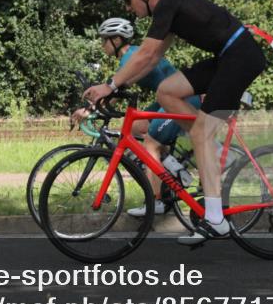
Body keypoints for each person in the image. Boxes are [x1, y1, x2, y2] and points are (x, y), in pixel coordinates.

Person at [83, 0, 266, 245]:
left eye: (128, 1)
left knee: (199, 133)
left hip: (240, 56)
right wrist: (117, 85)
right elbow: (152, 59)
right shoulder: (168, 9)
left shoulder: (170, 1)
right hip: (229, 56)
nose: (129, 9)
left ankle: (215, 219)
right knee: (166, 90)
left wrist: (110, 85)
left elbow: (145, 54)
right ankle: (210, 147)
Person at [73, 17, 201, 216]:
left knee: (150, 143)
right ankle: (171, 171)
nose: (101, 45)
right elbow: (115, 90)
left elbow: (114, 92)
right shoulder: (131, 55)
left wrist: (89, 111)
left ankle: (158, 199)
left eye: (104, 40)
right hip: (169, 99)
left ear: (116, 40)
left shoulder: (129, 58)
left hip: (181, 100)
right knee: (134, 128)